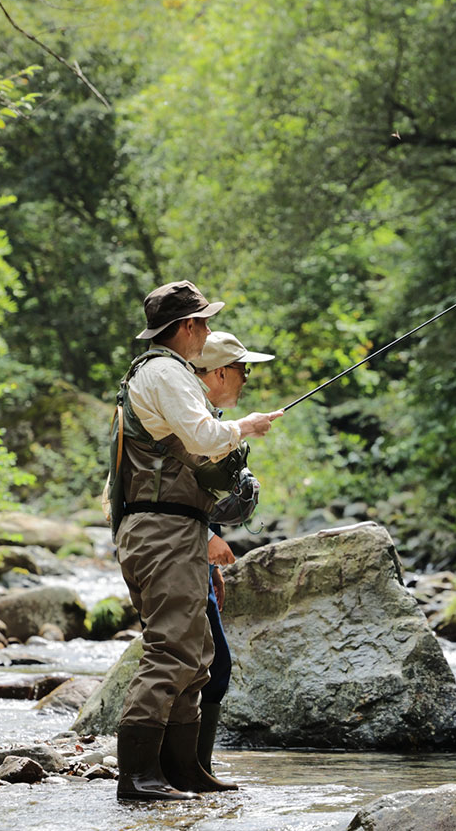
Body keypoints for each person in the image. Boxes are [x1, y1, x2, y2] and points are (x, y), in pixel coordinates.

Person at [108, 281, 281, 801]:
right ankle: (138, 777)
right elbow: (204, 436)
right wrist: (245, 428)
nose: (207, 333)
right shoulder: (165, 371)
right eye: (203, 322)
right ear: (186, 327)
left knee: (195, 652)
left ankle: (182, 772)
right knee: (170, 651)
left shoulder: (158, 373)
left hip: (171, 529)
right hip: (162, 531)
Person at [189, 331, 275, 777]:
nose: (248, 377)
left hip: (192, 553)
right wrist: (205, 540)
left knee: (213, 663)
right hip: (176, 548)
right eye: (244, 368)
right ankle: (183, 771)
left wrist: (209, 556)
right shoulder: (190, 416)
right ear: (220, 372)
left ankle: (193, 769)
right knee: (208, 663)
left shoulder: (206, 416)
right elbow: (173, 489)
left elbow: (200, 489)